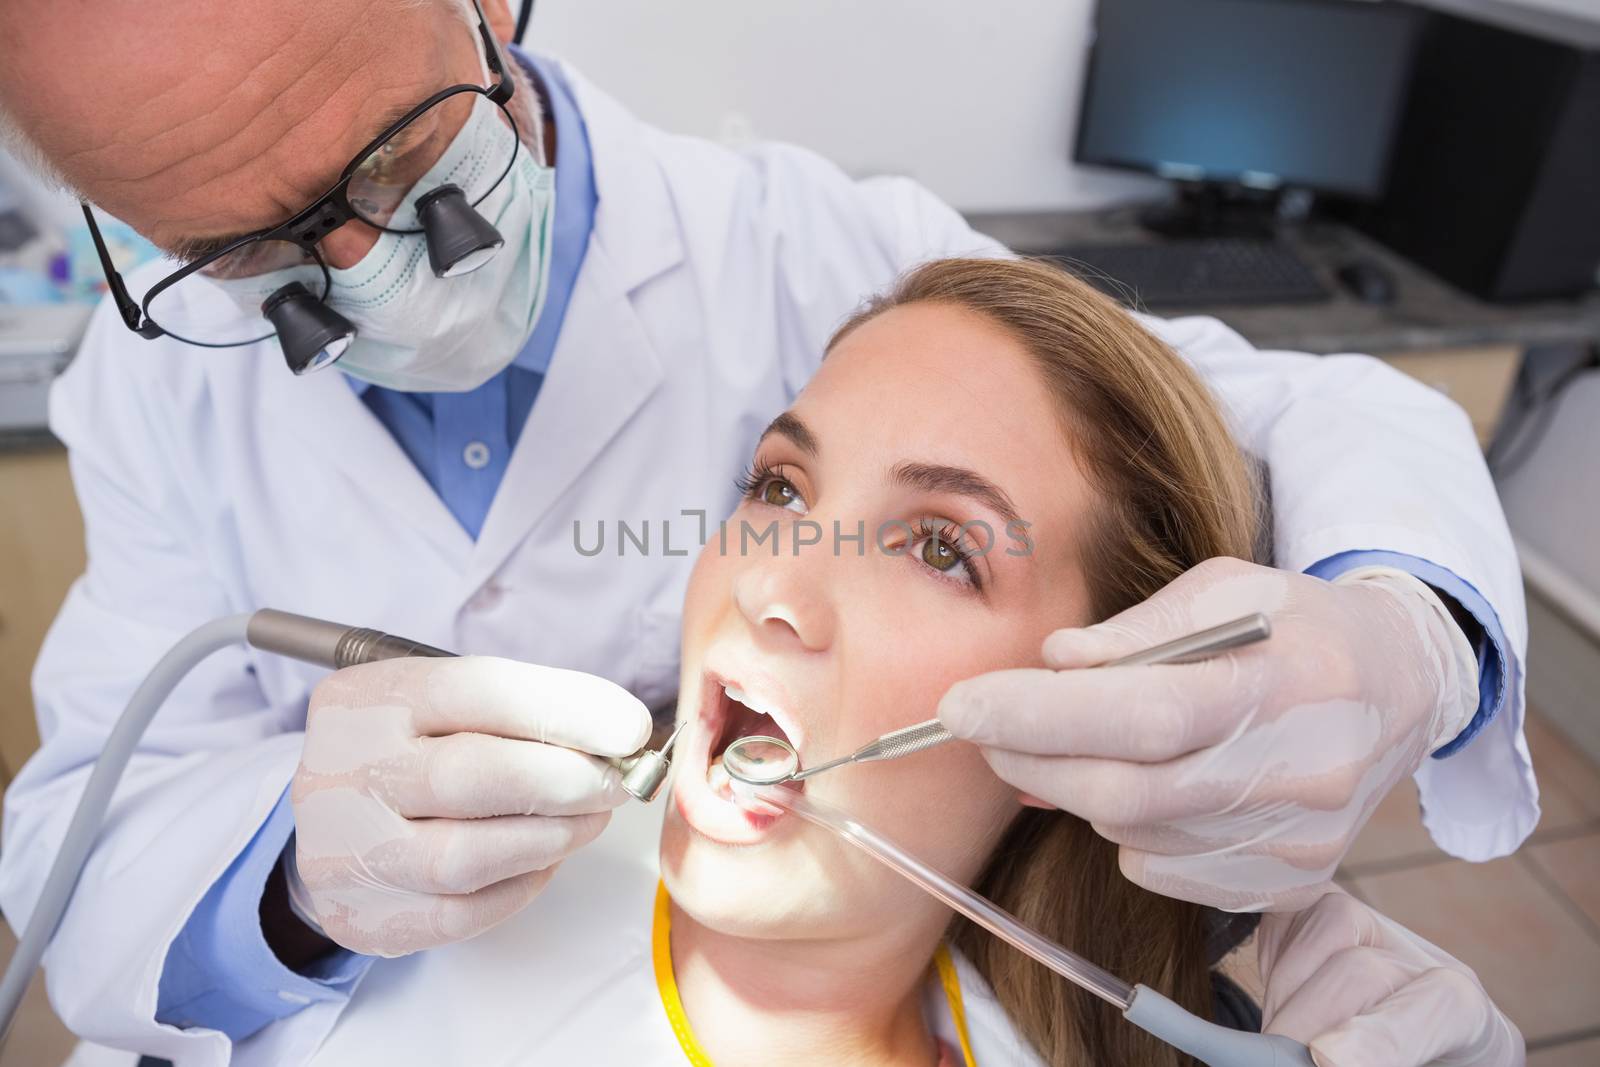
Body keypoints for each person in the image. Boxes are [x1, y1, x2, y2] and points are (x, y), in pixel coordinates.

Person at [0, 0, 1526, 1062]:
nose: (364, 270)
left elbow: (1280, 412)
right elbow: (80, 840)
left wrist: (1402, 634)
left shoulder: (812, 251)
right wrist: (288, 876)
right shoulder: (149, 393)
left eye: (403, 165)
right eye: (256, 252)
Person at [299, 257, 1521, 1067]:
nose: (769, 581)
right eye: (780, 484)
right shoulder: (411, 959)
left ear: (1090, 728)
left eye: (940, 548)